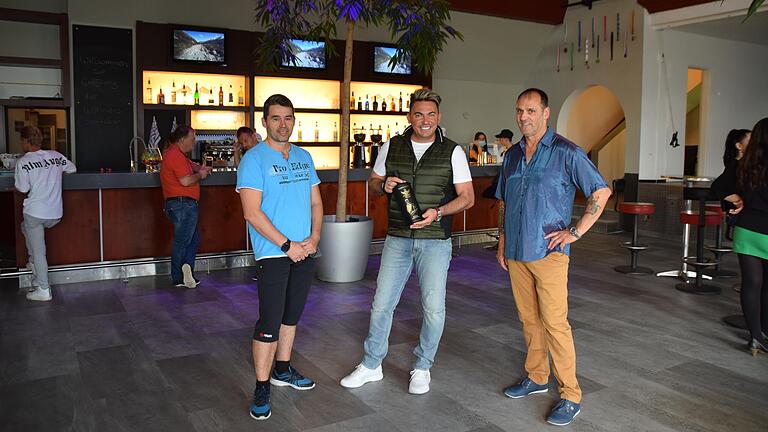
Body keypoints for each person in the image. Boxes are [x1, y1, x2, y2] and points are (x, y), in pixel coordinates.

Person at [339, 88, 475, 395]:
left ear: (438, 117)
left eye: (430, 114)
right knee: (380, 306)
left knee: (433, 309)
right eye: (418, 114)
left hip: (435, 240)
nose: (424, 121)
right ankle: (372, 365)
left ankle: (423, 367)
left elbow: (467, 198)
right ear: (409, 116)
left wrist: (438, 211)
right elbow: (372, 183)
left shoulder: (452, 151)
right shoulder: (392, 146)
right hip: (398, 238)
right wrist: (383, 184)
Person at [495, 88, 611, 426]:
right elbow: (504, 200)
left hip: (549, 253)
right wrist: (502, 240)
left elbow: (600, 192)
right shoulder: (512, 155)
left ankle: (571, 394)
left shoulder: (567, 152)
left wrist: (575, 232)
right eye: (519, 110)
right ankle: (536, 376)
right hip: (516, 251)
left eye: (531, 110)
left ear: (546, 113)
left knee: (555, 324)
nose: (523, 117)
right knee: (528, 320)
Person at [236, 94, 323, 421]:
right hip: (275, 253)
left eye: (288, 117)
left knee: (291, 316)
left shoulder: (303, 156)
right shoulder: (254, 160)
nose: (283, 124)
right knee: (269, 320)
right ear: (265, 121)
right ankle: (262, 385)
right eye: (276, 118)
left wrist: (313, 238)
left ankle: (282, 370)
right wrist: (288, 245)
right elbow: (251, 213)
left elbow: (316, 203)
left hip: (304, 250)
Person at [711, 118, 768, 356]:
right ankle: (764, 331)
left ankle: (755, 337)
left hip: (748, 230)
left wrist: (738, 200)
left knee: (752, 284)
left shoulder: (744, 164)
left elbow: (717, 188)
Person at [14, 126, 76, 301]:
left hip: (35, 212)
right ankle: (34, 264)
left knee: (38, 249)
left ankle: (43, 288)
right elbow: (72, 169)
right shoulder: (56, 156)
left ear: (26, 142)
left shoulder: (23, 162)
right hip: (55, 214)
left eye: (22, 140)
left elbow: (22, 188)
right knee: (25, 228)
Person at [159, 125, 211, 288]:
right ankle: (179, 276)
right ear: (182, 139)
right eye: (192, 138)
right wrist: (200, 175)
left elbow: (190, 165)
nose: (194, 142)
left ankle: (186, 268)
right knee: (183, 241)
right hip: (183, 204)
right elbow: (185, 180)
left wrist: (200, 168)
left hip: (180, 204)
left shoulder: (176, 154)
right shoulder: (175, 155)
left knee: (192, 239)